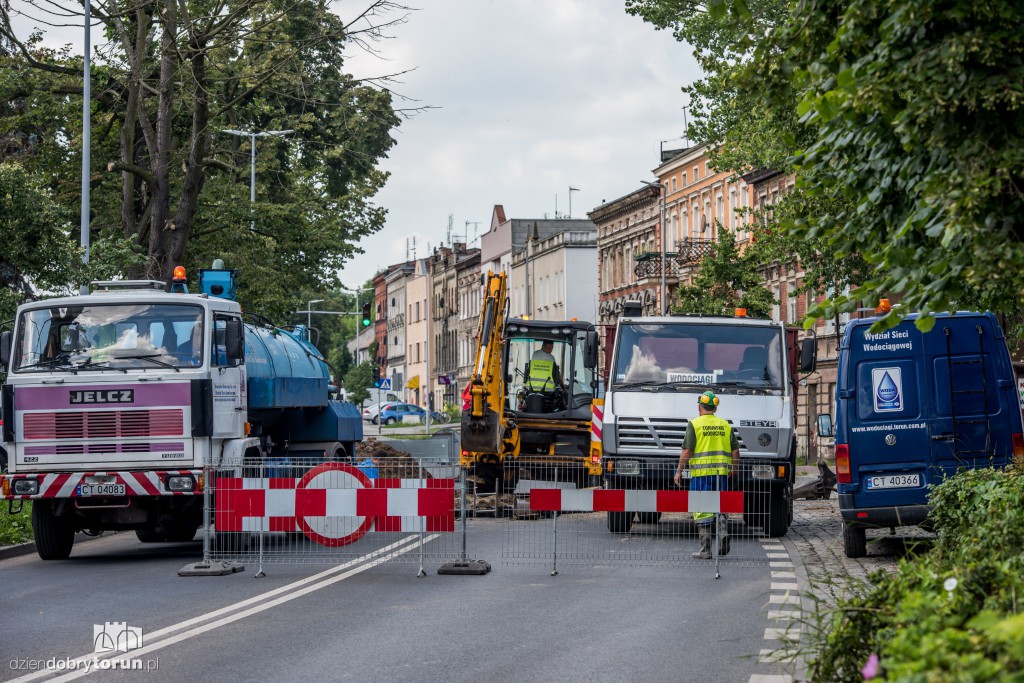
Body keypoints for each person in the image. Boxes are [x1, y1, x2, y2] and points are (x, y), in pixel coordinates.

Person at [673, 390, 740, 560]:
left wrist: (679, 471)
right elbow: (735, 450)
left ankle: (706, 550)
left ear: (699, 406)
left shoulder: (694, 424)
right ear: (715, 408)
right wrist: (734, 468)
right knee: (720, 504)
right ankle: (723, 531)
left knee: (701, 509)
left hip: (701, 474)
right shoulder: (725, 425)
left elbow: (688, 450)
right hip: (721, 474)